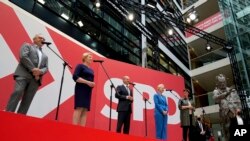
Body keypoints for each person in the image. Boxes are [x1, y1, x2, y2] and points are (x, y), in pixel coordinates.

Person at [6, 34, 48, 114]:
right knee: (18, 92)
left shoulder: (45, 56)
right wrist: (33, 70)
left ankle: (19, 119)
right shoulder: (27, 45)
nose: (42, 39)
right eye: (40, 38)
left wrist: (40, 72)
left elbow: (46, 67)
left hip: (35, 80)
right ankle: (8, 114)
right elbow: (23, 56)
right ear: (34, 39)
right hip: (23, 75)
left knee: (28, 99)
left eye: (43, 38)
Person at [213, 74, 241, 141]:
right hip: (225, 115)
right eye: (220, 82)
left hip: (234, 113)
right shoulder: (216, 91)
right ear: (217, 83)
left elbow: (238, 101)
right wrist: (226, 93)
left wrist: (238, 109)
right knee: (228, 132)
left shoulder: (232, 90)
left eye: (224, 82)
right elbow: (215, 98)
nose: (223, 84)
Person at [72, 52, 95, 126]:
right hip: (81, 89)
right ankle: (74, 127)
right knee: (79, 107)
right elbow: (75, 77)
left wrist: (92, 84)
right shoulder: (80, 66)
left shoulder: (91, 70)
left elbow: (91, 80)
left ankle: (82, 129)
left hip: (88, 91)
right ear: (84, 58)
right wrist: (87, 82)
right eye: (89, 57)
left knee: (85, 109)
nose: (91, 58)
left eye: (92, 57)